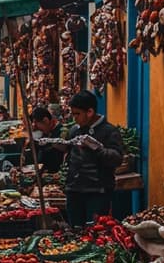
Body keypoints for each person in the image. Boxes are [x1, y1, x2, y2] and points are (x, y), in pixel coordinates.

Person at [60, 90, 125, 227]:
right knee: (74, 230)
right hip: (74, 191)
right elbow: (70, 156)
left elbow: (117, 158)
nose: (74, 118)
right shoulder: (74, 131)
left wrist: (96, 149)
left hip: (97, 192)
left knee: (95, 231)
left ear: (90, 112)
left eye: (77, 114)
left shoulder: (109, 131)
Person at [30, 106, 67, 172]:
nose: (38, 129)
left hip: (54, 171)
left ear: (46, 121)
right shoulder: (45, 131)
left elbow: (63, 148)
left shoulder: (62, 131)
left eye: (39, 128)